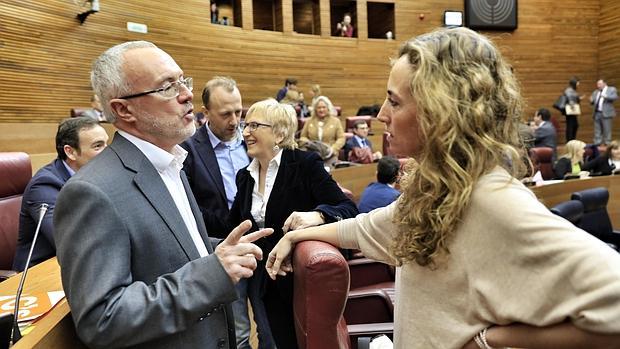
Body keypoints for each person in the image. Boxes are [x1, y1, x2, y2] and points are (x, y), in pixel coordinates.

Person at [266, 28, 620, 349]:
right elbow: (365, 228)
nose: (381, 116)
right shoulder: (436, 191)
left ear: (441, 112)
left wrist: (489, 342)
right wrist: (296, 236)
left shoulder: (493, 202)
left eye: (395, 101)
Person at [53, 40, 272, 349]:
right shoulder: (89, 192)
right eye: (167, 87)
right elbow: (104, 319)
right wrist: (213, 272)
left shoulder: (171, 165)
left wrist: (223, 248)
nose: (186, 95)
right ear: (123, 109)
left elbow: (170, 249)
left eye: (183, 81)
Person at [228, 98, 358, 349]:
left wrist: (318, 215)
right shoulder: (245, 176)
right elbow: (235, 225)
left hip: (302, 282)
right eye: (246, 125)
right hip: (265, 280)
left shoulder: (304, 164)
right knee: (275, 340)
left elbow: (349, 210)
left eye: (254, 125)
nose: (245, 132)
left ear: (279, 133)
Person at [180, 77, 253, 349]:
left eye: (238, 112)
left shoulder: (251, 139)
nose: (234, 121)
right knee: (239, 330)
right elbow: (189, 205)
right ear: (206, 112)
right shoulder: (188, 150)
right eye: (225, 114)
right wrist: (228, 229)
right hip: (221, 249)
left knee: (270, 325)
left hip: (263, 246)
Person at [13, 117, 108, 271]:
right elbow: (70, 242)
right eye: (98, 146)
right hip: (40, 274)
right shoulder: (44, 185)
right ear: (70, 152)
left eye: (106, 143)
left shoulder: (98, 175)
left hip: (81, 267)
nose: (108, 151)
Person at [299, 95, 345, 159]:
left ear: (328, 108)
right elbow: (303, 137)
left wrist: (333, 149)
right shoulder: (309, 121)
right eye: (319, 108)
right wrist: (309, 144)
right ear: (315, 109)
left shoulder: (336, 121)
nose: (321, 110)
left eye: (324, 107)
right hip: (312, 154)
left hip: (330, 155)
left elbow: (341, 138)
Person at [590, 79, 618, 146]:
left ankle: (607, 142)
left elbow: (615, 97)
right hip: (597, 113)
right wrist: (591, 101)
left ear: (604, 83)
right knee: (597, 129)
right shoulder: (596, 92)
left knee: (607, 129)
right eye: (597, 84)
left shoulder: (611, 89)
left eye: (599, 84)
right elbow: (593, 101)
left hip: (606, 113)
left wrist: (606, 96)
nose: (598, 86)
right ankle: (597, 142)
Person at [562, 77, 582, 142]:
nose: (578, 84)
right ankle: (570, 141)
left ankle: (571, 140)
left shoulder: (572, 90)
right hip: (571, 111)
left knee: (574, 125)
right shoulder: (569, 90)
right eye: (578, 82)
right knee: (571, 126)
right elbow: (570, 100)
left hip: (572, 111)